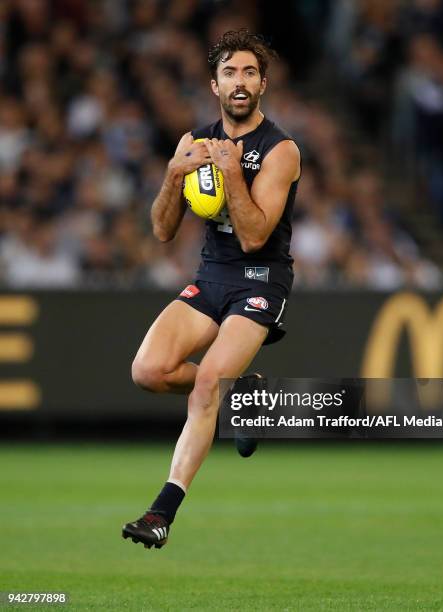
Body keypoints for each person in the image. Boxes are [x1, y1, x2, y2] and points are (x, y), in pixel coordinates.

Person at [122, 29, 301, 549]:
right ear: (214, 85)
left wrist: (232, 175)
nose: (240, 82)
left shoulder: (281, 149)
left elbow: (254, 236)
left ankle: (161, 514)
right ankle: (244, 393)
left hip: (261, 281)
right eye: (230, 73)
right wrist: (173, 175)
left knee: (204, 389)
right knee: (148, 371)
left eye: (249, 72)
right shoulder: (193, 142)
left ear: (263, 83)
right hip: (211, 277)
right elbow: (160, 229)